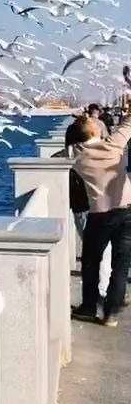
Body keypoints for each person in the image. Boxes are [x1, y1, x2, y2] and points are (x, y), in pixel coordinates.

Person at [67, 103, 131, 326]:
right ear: (95, 132)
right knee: (121, 265)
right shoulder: (114, 146)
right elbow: (128, 125)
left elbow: (74, 143)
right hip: (127, 212)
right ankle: (111, 314)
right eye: (94, 124)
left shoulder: (79, 158)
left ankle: (88, 307)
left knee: (91, 263)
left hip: (99, 215)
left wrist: (82, 124)